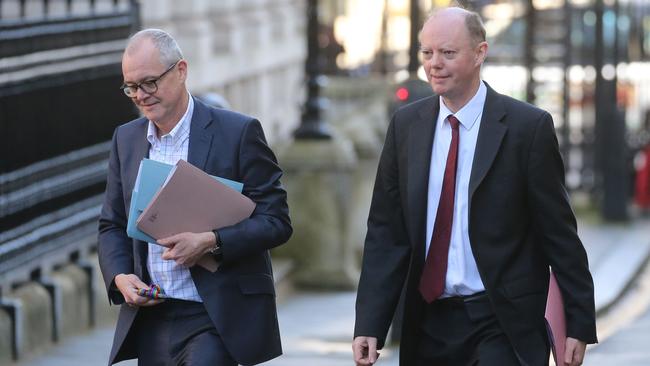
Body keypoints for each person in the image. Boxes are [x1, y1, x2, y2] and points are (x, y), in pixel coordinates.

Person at [353, 7, 596, 366]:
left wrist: (578, 322)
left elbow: (558, 232)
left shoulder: (527, 128)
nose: (434, 63)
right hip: (429, 322)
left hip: (502, 321)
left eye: (448, 53)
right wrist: (370, 323)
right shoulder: (406, 127)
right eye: (427, 53)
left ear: (480, 53)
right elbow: (386, 232)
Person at [98, 29, 292, 366]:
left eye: (150, 83)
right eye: (131, 87)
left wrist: (211, 241)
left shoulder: (238, 132)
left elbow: (276, 221)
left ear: (181, 70)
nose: (141, 95)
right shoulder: (125, 139)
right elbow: (111, 224)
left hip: (215, 317)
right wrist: (120, 277)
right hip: (152, 316)